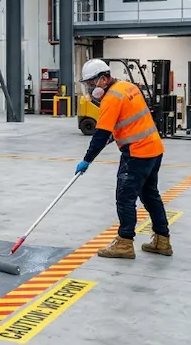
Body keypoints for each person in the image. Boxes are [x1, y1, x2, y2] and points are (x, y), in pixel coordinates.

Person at [77, 59, 171, 259]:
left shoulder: (111, 98)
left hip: (137, 154)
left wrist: (87, 160)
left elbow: (100, 135)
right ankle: (162, 240)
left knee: (125, 198)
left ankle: (125, 243)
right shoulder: (128, 87)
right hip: (154, 149)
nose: (91, 88)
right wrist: (115, 134)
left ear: (103, 79)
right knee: (150, 195)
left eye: (92, 84)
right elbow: (130, 119)